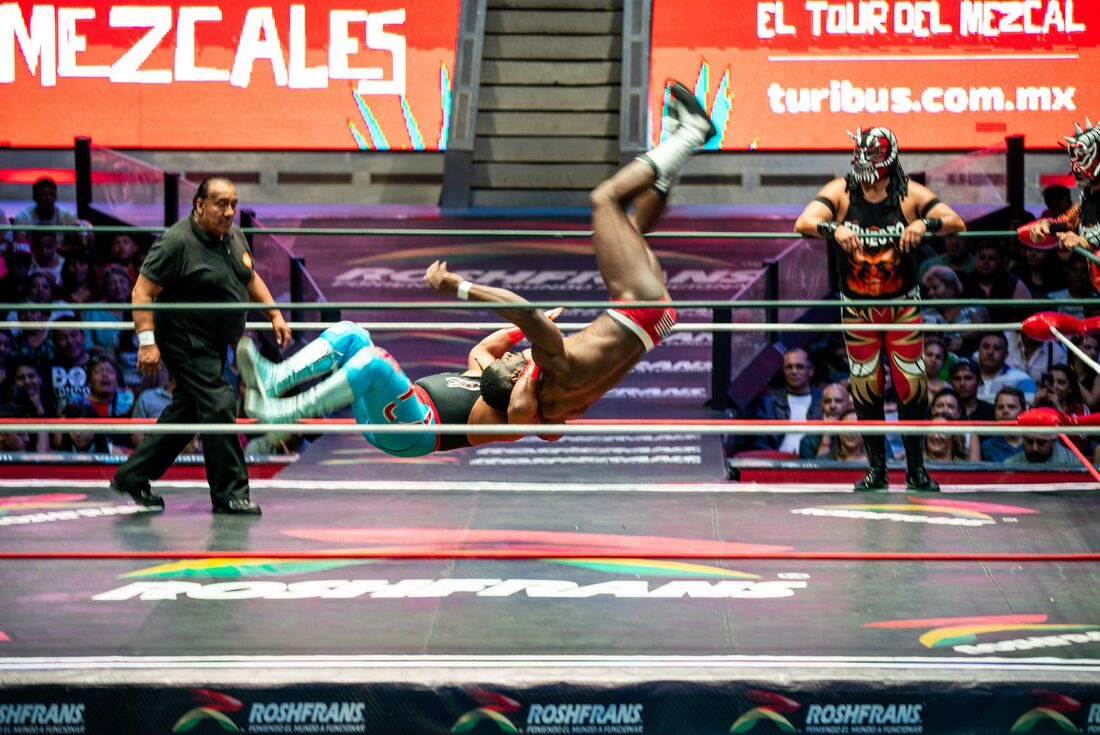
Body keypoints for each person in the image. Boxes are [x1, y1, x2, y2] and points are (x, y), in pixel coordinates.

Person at [417, 81, 715, 429]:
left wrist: (518, 375)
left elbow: (546, 430)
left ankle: (674, 141)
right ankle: (691, 134)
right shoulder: (550, 361)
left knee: (626, 231)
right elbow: (525, 313)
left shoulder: (555, 408)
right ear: (514, 379)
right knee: (605, 200)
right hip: (637, 306)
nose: (511, 355)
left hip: (653, 324)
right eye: (508, 361)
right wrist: (459, 287)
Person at [794, 125, 966, 491]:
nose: (864, 168)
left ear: (887, 161)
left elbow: (956, 221)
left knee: (911, 386)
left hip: (902, 307)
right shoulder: (841, 191)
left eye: (871, 159)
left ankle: (916, 470)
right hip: (858, 309)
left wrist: (924, 224)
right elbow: (803, 222)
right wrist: (833, 229)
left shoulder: (910, 194)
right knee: (865, 386)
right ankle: (877, 470)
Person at [109, 176, 290, 514]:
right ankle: (230, 494)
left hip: (215, 342)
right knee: (219, 403)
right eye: (221, 204)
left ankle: (133, 475)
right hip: (184, 340)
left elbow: (250, 277)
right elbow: (142, 291)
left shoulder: (233, 235)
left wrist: (275, 314)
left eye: (233, 204)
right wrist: (146, 342)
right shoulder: (176, 242)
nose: (229, 212)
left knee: (189, 409)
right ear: (199, 205)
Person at [239, 316, 558, 454]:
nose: (509, 355)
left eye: (515, 358)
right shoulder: (484, 376)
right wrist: (531, 325)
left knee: (376, 362)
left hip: (413, 431)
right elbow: (485, 348)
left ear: (519, 377)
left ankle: (288, 413)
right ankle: (275, 379)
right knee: (353, 334)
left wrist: (535, 360)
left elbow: (534, 418)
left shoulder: (509, 417)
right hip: (390, 415)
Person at [1017, 118, 1100, 300]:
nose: (1076, 167)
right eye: (1074, 158)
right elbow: (1070, 219)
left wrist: (1085, 242)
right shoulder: (1088, 194)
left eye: (1082, 157)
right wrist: (1049, 225)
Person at [750, 348, 822, 453]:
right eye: (789, 367)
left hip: (815, 460)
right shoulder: (769, 401)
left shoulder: (824, 400)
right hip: (777, 460)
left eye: (799, 367)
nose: (794, 372)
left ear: (811, 371)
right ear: (783, 371)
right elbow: (760, 440)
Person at [975, 331, 1036, 403]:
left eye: (997, 348)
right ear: (978, 351)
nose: (990, 352)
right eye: (986, 347)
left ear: (1006, 354)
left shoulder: (1021, 378)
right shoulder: (967, 378)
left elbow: (1030, 408)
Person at [799, 382, 852, 459]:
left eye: (838, 401)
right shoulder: (808, 441)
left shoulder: (861, 435)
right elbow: (818, 467)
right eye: (827, 401)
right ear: (822, 406)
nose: (832, 406)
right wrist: (826, 437)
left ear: (849, 405)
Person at [980, 387, 1026, 462]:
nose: (1005, 411)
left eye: (1011, 407)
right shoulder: (988, 447)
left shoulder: (1035, 443)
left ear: (1023, 411)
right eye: (1000, 407)